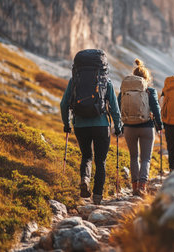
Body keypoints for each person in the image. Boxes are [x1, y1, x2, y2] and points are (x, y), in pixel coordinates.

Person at [60, 49, 122, 205]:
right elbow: (114, 108)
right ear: (103, 66)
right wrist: (118, 126)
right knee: (101, 161)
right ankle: (97, 196)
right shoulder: (105, 81)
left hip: (80, 125)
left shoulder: (74, 80)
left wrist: (66, 124)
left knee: (86, 156)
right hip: (101, 125)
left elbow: (64, 104)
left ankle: (85, 179)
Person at [118, 59, 162, 196]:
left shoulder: (124, 90)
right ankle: (142, 187)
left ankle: (134, 186)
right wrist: (159, 125)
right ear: (146, 78)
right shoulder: (150, 90)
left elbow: (119, 105)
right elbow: (156, 108)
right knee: (145, 159)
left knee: (133, 157)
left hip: (129, 127)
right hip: (147, 127)